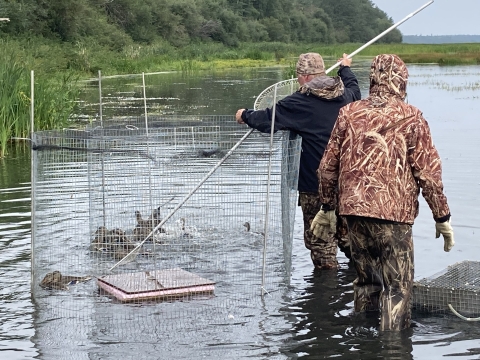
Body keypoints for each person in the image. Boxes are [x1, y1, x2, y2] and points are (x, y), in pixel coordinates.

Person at [311, 54, 455, 330]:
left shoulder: (349, 112)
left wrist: (327, 208)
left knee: (366, 283)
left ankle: (363, 342)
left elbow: (327, 166)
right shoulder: (411, 116)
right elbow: (428, 174)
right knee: (397, 289)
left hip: (353, 215)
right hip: (393, 218)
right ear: (401, 80)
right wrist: (442, 216)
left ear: (373, 78)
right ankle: (392, 350)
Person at [235, 52, 361, 269]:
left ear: (304, 77)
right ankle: (361, 284)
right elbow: (355, 88)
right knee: (348, 237)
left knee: (320, 243)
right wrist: (345, 68)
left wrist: (244, 115)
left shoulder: (300, 102)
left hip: (316, 186)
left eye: (298, 76)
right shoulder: (347, 96)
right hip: (348, 183)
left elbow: (266, 119)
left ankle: (326, 296)